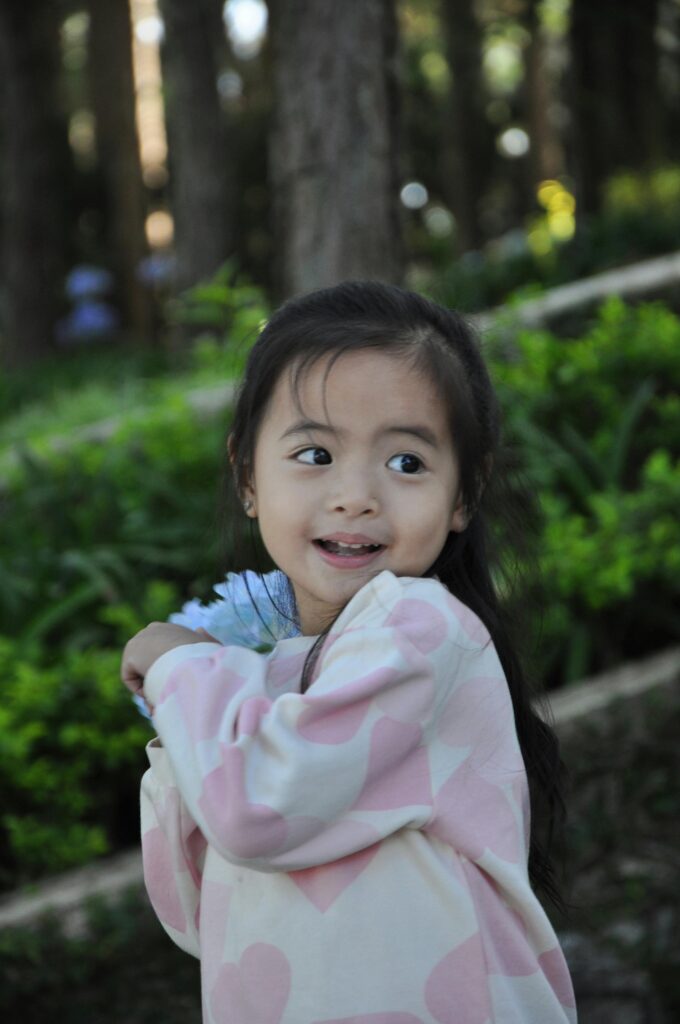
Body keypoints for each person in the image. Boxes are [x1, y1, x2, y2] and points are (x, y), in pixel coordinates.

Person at [121, 281, 577, 1023]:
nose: (355, 495)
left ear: (464, 493)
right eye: (314, 453)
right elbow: (193, 914)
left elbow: (252, 811)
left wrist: (180, 668)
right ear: (247, 476)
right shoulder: (263, 685)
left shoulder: (424, 632)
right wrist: (186, 733)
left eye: (406, 464)